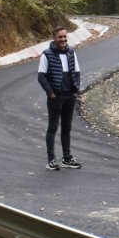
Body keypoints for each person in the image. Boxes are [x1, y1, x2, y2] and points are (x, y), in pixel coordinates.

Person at [37, 26, 82, 171]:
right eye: (60, 37)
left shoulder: (71, 53)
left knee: (67, 128)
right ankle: (51, 159)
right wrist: (51, 93)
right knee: (52, 128)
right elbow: (41, 76)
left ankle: (67, 158)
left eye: (64, 36)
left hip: (70, 96)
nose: (63, 39)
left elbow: (77, 72)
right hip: (55, 97)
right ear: (54, 38)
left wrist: (76, 91)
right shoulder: (47, 54)